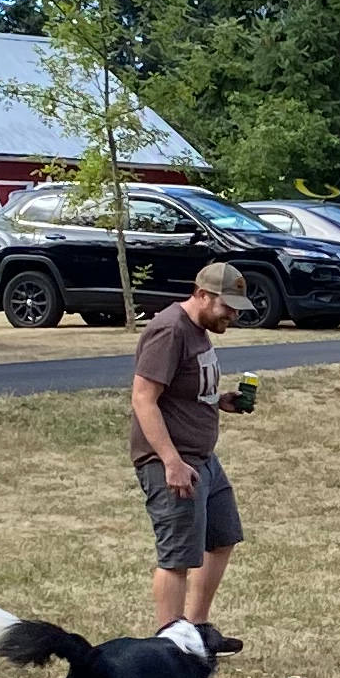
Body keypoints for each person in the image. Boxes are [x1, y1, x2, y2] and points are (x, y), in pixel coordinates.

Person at [129, 260, 254, 640]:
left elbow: (184, 388)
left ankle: (196, 630)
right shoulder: (169, 330)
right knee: (177, 558)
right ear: (201, 295)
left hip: (203, 459)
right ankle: (169, 646)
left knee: (222, 536)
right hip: (173, 460)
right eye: (226, 306)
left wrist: (220, 400)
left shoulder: (198, 329)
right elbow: (144, 399)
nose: (233, 314)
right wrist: (171, 462)